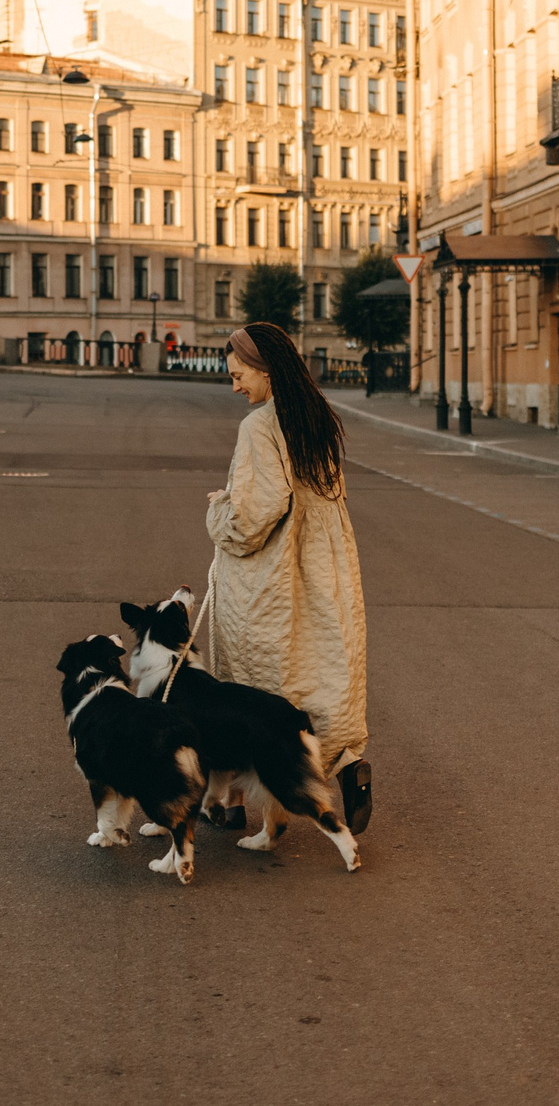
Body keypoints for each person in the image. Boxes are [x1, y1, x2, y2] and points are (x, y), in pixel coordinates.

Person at [203, 321, 372, 833]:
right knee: (322, 672)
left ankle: (227, 801)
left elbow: (255, 516)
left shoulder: (258, 426)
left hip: (272, 575)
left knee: (247, 682)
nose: (234, 386)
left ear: (263, 368)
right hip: (325, 564)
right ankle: (344, 766)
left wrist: (218, 513)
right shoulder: (314, 414)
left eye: (238, 375)